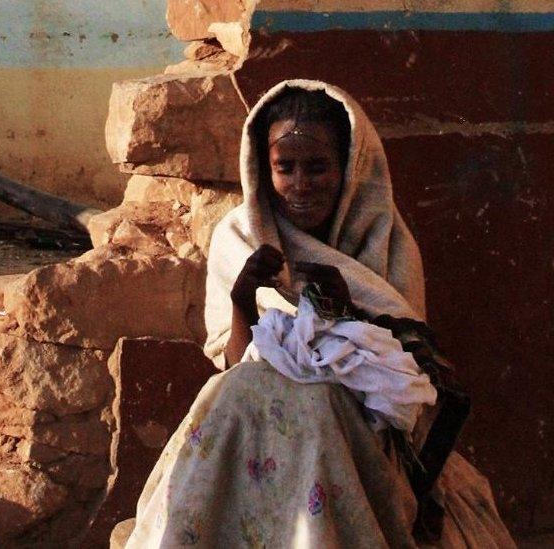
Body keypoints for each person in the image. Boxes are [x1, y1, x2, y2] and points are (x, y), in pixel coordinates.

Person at [123, 80, 514, 548]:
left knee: (317, 404)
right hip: (253, 425)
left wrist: (347, 315)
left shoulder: (384, 241)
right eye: (285, 168)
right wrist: (243, 298)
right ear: (263, 170)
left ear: (348, 168)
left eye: (318, 168)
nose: (301, 185)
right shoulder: (239, 237)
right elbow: (234, 362)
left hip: (356, 435)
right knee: (236, 391)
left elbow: (410, 379)